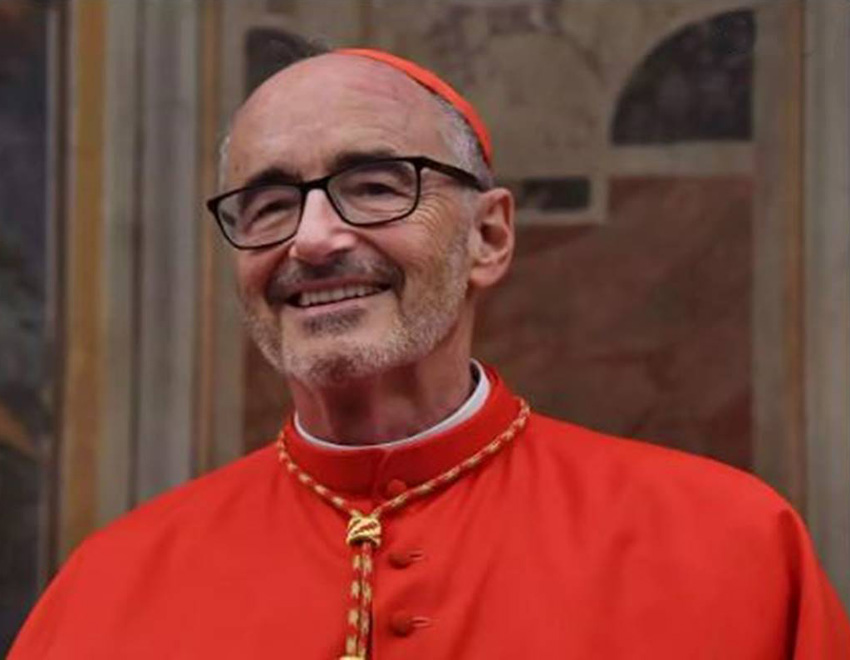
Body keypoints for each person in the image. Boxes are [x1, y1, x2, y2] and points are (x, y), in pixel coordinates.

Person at [10, 47, 850, 660]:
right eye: (268, 205)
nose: (313, 239)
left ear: (489, 237)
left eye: (375, 187)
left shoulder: (730, 546)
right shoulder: (108, 587)